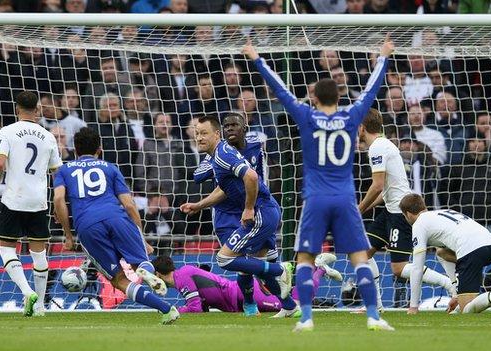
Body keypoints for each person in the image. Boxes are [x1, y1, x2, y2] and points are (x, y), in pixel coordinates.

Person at [243, 36, 395, 331]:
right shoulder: (352, 116)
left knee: (305, 257)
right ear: (339, 98)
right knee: (359, 258)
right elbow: (371, 89)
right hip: (344, 198)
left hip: (315, 199)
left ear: (314, 98)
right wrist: (384, 56)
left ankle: (307, 317)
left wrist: (256, 58)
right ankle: (374, 316)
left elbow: (281, 90)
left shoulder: (306, 116)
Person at [53, 128, 179, 324]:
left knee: (119, 280)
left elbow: (59, 200)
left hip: (87, 225)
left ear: (75, 150)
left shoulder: (64, 170)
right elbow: (129, 204)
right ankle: (145, 270)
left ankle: (166, 309)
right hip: (116, 217)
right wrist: (141, 237)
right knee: (139, 262)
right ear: (99, 149)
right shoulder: (110, 168)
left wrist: (68, 235)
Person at [180, 115, 296, 318]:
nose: (198, 138)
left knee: (227, 259)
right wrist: (199, 205)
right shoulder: (219, 155)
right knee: (250, 265)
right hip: (242, 214)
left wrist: (249, 208)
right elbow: (221, 186)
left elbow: (252, 176)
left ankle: (280, 271)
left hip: (258, 211)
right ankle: (288, 305)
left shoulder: (226, 153)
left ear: (217, 134)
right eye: (197, 134)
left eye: (204, 133)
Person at [358, 109, 454, 310]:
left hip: (400, 214)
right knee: (362, 253)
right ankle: (374, 306)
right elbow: (384, 190)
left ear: (362, 127)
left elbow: (377, 185)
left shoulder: (377, 147)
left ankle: (448, 283)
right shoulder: (383, 145)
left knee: (398, 268)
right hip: (390, 210)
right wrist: (365, 208)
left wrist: (359, 209)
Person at [0, 91, 63, 317]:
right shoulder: (48, 136)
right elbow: (57, 173)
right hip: (38, 201)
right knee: (39, 254)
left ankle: (26, 291)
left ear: (17, 108)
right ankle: (39, 306)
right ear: (37, 109)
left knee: (7, 248)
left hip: (14, 199)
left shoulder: (7, 131)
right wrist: (59, 205)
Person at [398, 194, 491, 314]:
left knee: (467, 310)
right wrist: (456, 295)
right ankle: (457, 293)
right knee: (441, 252)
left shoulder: (419, 224)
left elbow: (417, 268)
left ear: (408, 214)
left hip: (471, 250)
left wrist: (413, 306)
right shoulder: (442, 212)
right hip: (490, 245)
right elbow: (442, 252)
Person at [152, 254, 342, 314]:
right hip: (238, 299)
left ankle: (318, 267)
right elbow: (201, 305)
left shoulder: (182, 275)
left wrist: (172, 310)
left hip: (240, 295)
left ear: (158, 274)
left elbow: (194, 308)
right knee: (293, 302)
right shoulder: (181, 278)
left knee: (297, 306)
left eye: (153, 277)